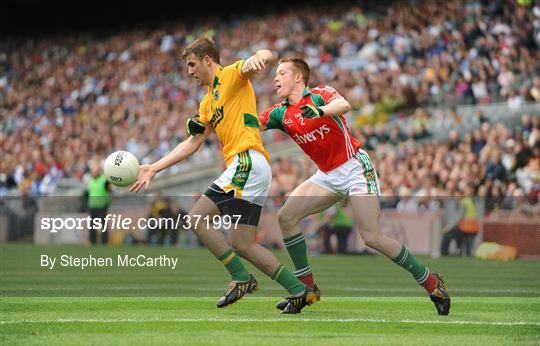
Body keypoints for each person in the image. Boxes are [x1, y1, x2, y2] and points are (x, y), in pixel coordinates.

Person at [130, 37, 315, 314]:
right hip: (251, 167)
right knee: (242, 244)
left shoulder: (230, 75)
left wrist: (259, 55)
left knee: (195, 218)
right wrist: (153, 167)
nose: (190, 72)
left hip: (246, 162)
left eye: (192, 65)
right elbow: (192, 143)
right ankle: (299, 290)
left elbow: (262, 55)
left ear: (207, 61)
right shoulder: (207, 103)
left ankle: (241, 279)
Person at [259, 57, 451, 315]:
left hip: (355, 169)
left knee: (372, 237)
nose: (276, 78)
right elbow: (250, 124)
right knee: (286, 216)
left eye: (281, 73)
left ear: (298, 77)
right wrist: (211, 122)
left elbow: (344, 104)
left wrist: (321, 112)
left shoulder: (319, 95)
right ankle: (307, 289)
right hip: (327, 176)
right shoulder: (280, 112)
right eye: (275, 74)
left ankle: (430, 281)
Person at [86, 161, 111, 245]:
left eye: (95, 170)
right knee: (92, 225)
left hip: (102, 206)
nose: (94, 171)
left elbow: (110, 190)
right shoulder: (90, 180)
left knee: (103, 225)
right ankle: (92, 241)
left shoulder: (104, 179)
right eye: (93, 170)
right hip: (92, 205)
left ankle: (104, 241)